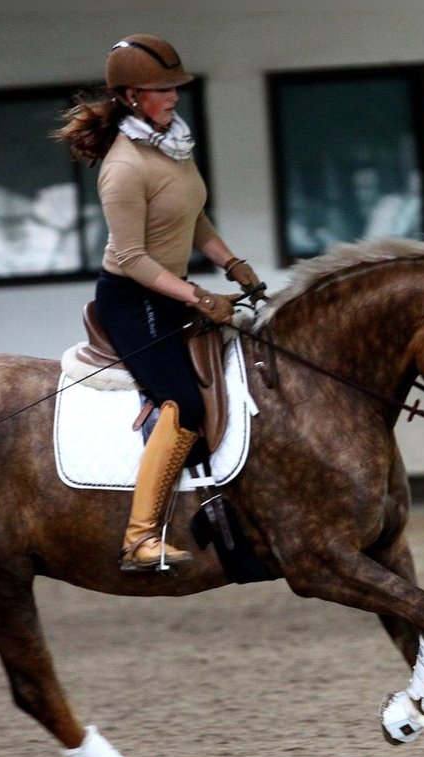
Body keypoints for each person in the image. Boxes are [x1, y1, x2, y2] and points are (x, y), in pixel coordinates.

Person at [53, 33, 263, 573]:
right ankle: (140, 537)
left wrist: (231, 263)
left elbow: (193, 219)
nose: (173, 96)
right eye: (160, 89)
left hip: (171, 290)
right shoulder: (124, 167)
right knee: (184, 403)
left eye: (175, 87)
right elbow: (133, 258)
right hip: (134, 296)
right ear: (129, 97)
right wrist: (200, 296)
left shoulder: (173, 145)